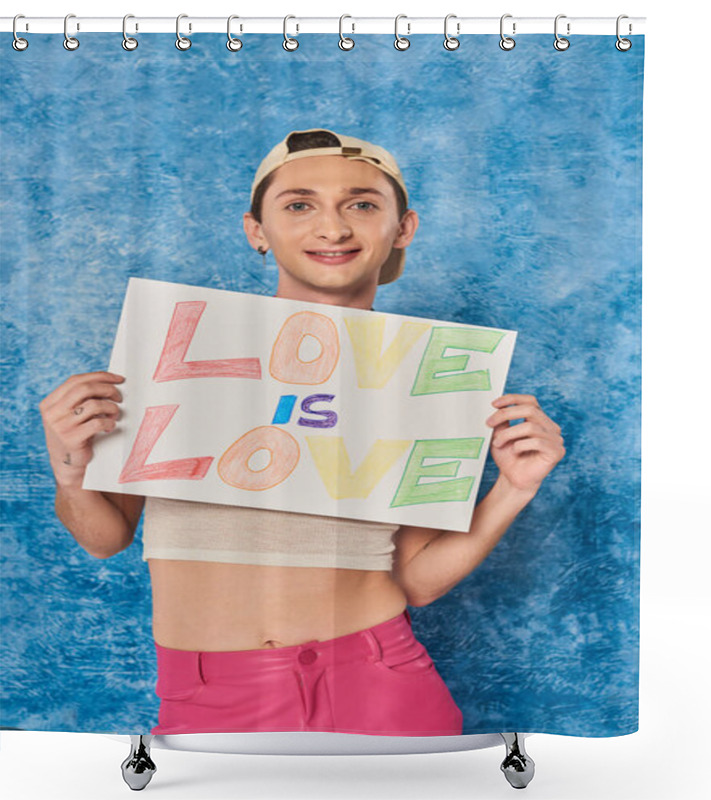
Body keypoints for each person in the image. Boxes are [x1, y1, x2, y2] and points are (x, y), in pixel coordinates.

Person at [39, 129, 566, 737]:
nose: (333, 228)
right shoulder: (179, 352)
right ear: (256, 230)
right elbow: (106, 537)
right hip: (205, 690)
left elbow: (416, 581)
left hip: (379, 679)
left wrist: (513, 490)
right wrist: (73, 476)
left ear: (403, 228)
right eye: (298, 204)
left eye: (363, 204)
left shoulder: (426, 376)